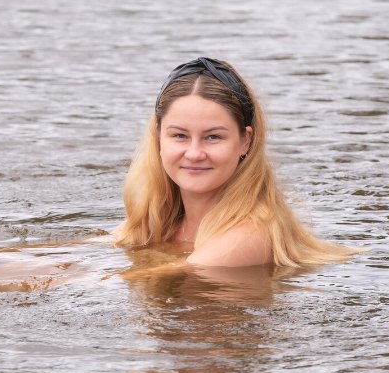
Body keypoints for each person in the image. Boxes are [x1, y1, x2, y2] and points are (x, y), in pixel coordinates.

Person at [114, 57, 352, 269]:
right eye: (179, 136)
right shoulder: (159, 219)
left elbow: (142, 278)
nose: (194, 153)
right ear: (158, 138)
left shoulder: (249, 235)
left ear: (245, 141)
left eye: (213, 137)